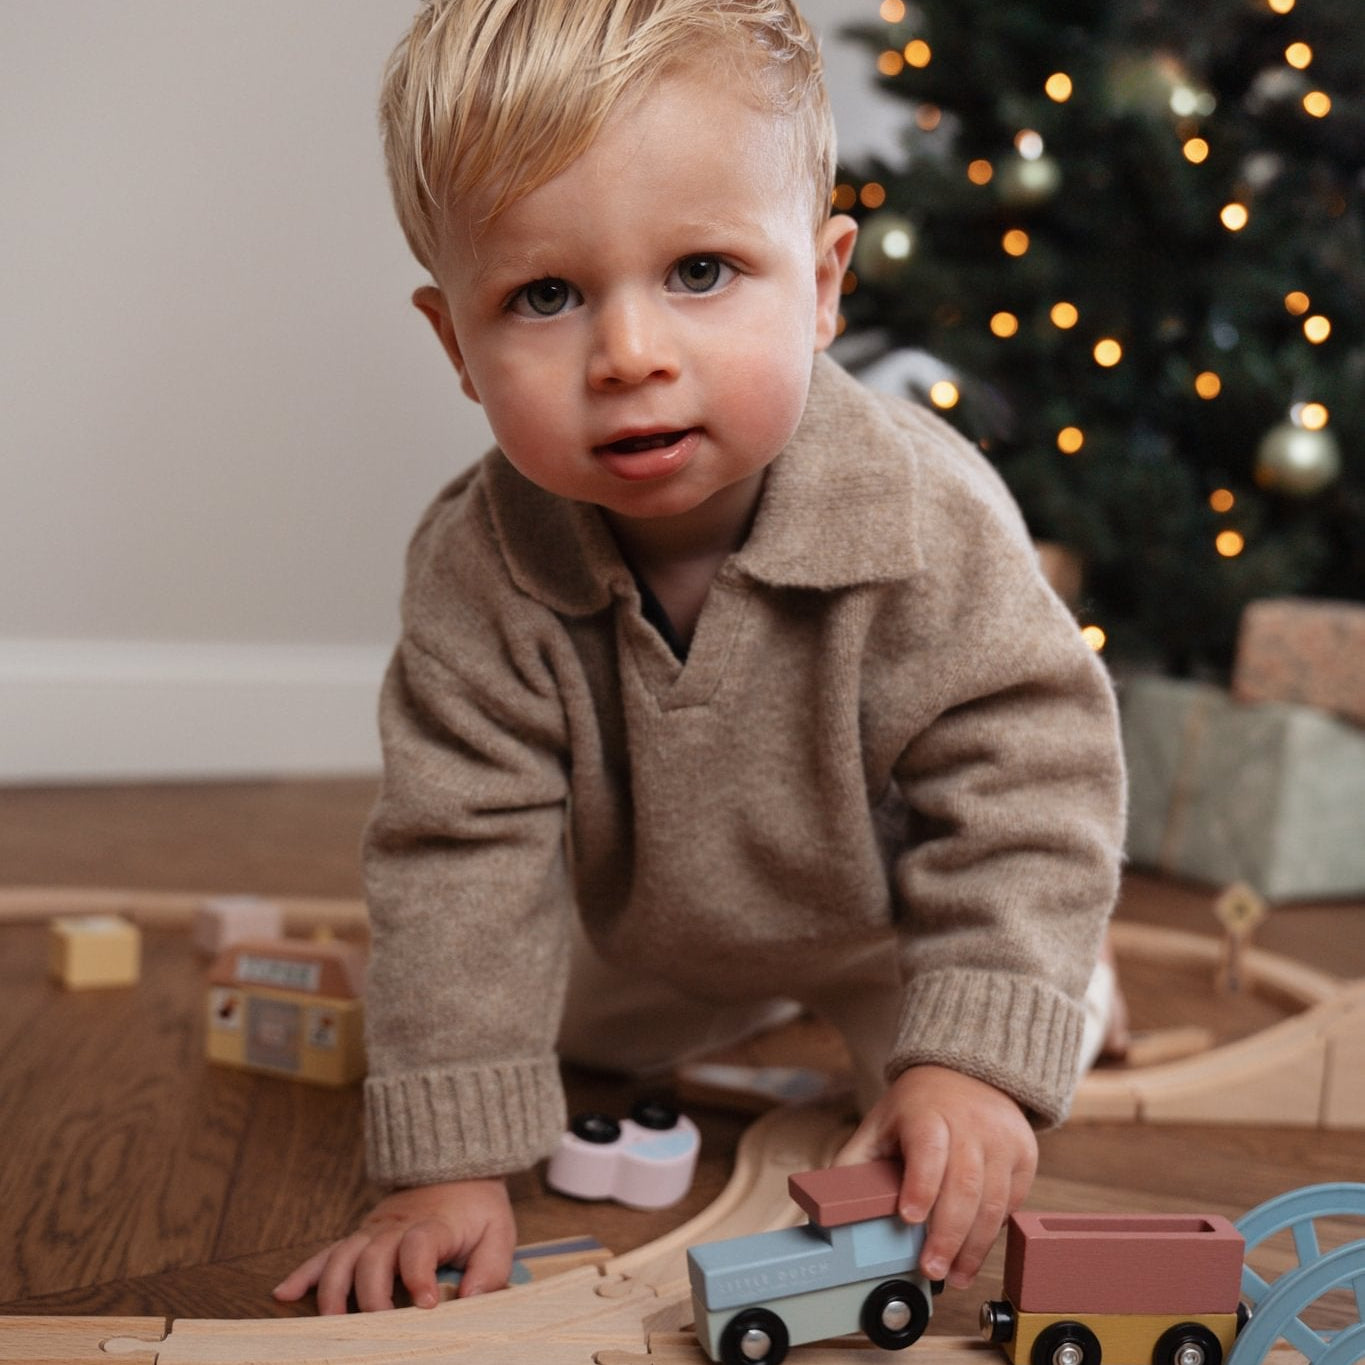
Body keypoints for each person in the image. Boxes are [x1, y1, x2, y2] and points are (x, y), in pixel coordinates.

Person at [273, 0, 1126, 1317]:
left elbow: (1032, 777)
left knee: (986, 1056)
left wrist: (976, 1053)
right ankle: (715, 1002)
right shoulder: (474, 566)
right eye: (544, 295)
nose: (629, 354)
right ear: (457, 344)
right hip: (649, 929)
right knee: (505, 1034)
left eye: (701, 272)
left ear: (825, 282)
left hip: (889, 919)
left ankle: (1047, 984)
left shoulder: (924, 522)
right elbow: (461, 858)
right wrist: (445, 1167)